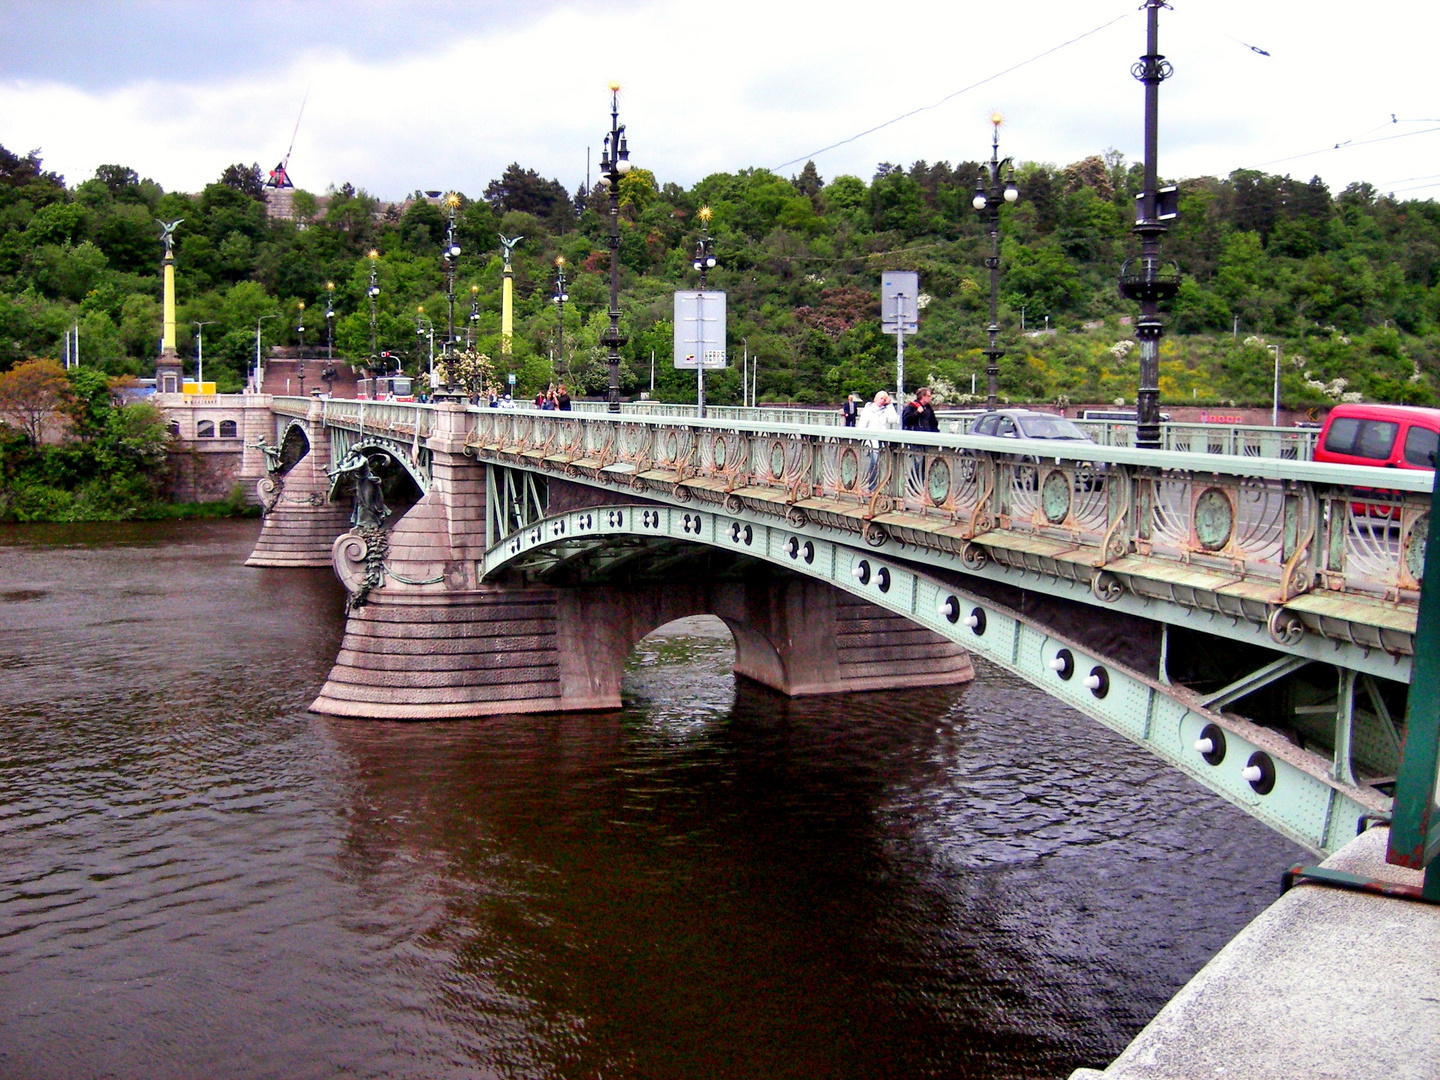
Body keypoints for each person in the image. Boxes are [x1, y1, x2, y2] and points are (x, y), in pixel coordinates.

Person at [856, 390, 899, 489]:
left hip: (883, 443)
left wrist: (890, 405)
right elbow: (862, 425)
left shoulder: (885, 410)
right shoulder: (868, 410)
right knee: (874, 464)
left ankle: (881, 487)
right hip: (872, 442)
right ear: (876, 398)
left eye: (884, 399)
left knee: (883, 465)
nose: (882, 401)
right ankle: (872, 487)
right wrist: (859, 438)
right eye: (881, 398)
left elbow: (893, 419)